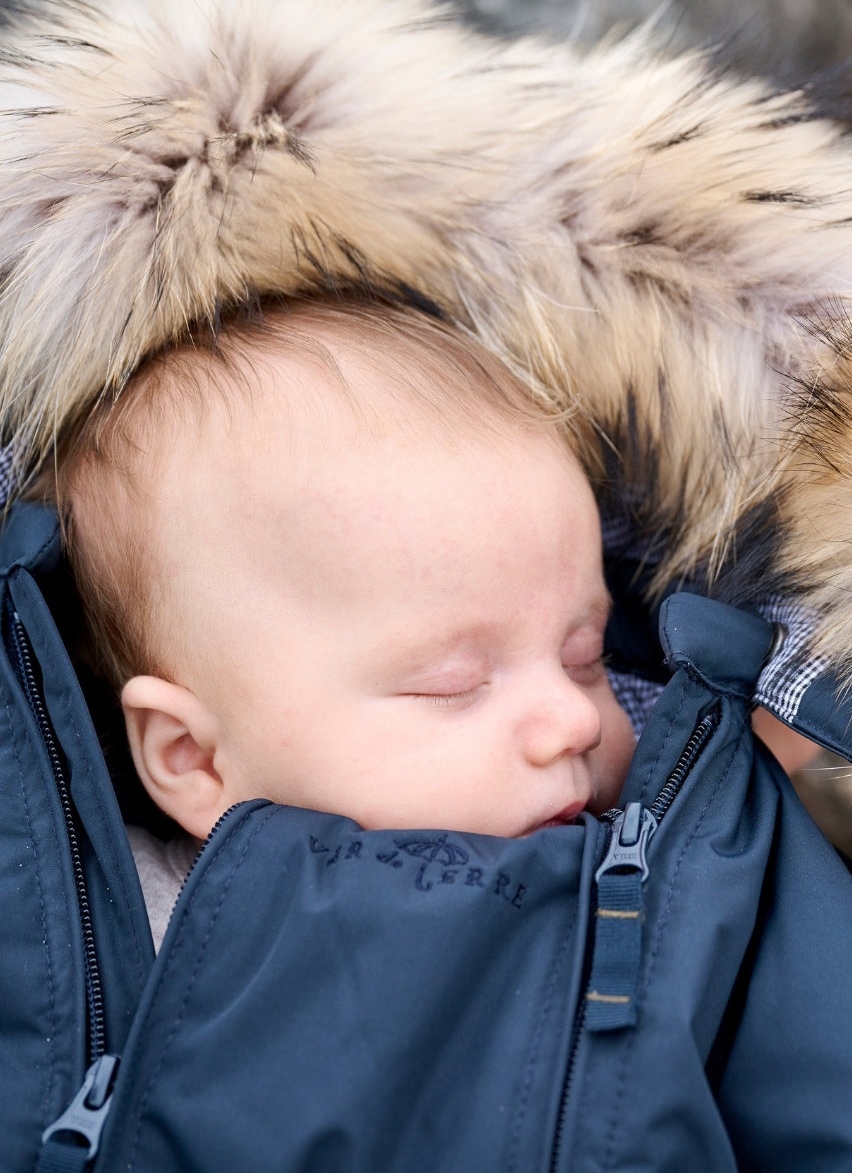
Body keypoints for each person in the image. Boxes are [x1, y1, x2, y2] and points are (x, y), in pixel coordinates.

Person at [46, 298, 637, 937]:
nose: (577, 721)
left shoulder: (662, 867)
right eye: (454, 684)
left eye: (585, 658)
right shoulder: (123, 944)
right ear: (196, 759)